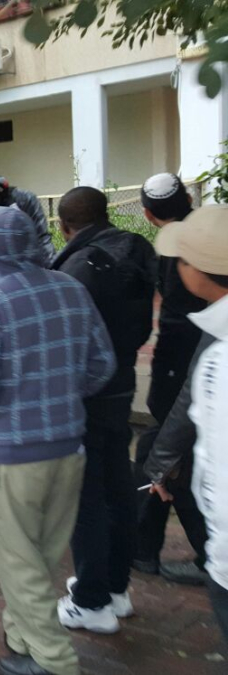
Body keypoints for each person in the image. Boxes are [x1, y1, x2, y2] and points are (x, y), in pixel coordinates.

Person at [0, 207, 115, 675]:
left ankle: (54, 661)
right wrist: (61, 393)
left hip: (14, 453)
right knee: (41, 555)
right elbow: (102, 364)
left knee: (19, 562)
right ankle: (20, 638)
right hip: (71, 445)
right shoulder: (71, 288)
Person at [48, 187, 156, 635]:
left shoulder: (76, 267)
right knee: (118, 484)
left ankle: (90, 600)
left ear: (63, 225)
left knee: (86, 496)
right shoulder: (135, 248)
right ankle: (115, 588)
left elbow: (66, 341)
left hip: (86, 394)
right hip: (121, 384)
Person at [151, 204, 228, 643]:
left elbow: (193, 409)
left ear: (199, 271)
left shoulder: (219, 350)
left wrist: (161, 461)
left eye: (181, 260)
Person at [134, 174, 210, 585]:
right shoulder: (204, 233)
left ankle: (207, 554)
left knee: (169, 456)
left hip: (184, 368)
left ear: (148, 214)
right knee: (159, 453)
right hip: (194, 364)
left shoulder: (178, 246)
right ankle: (144, 548)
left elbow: (178, 321)